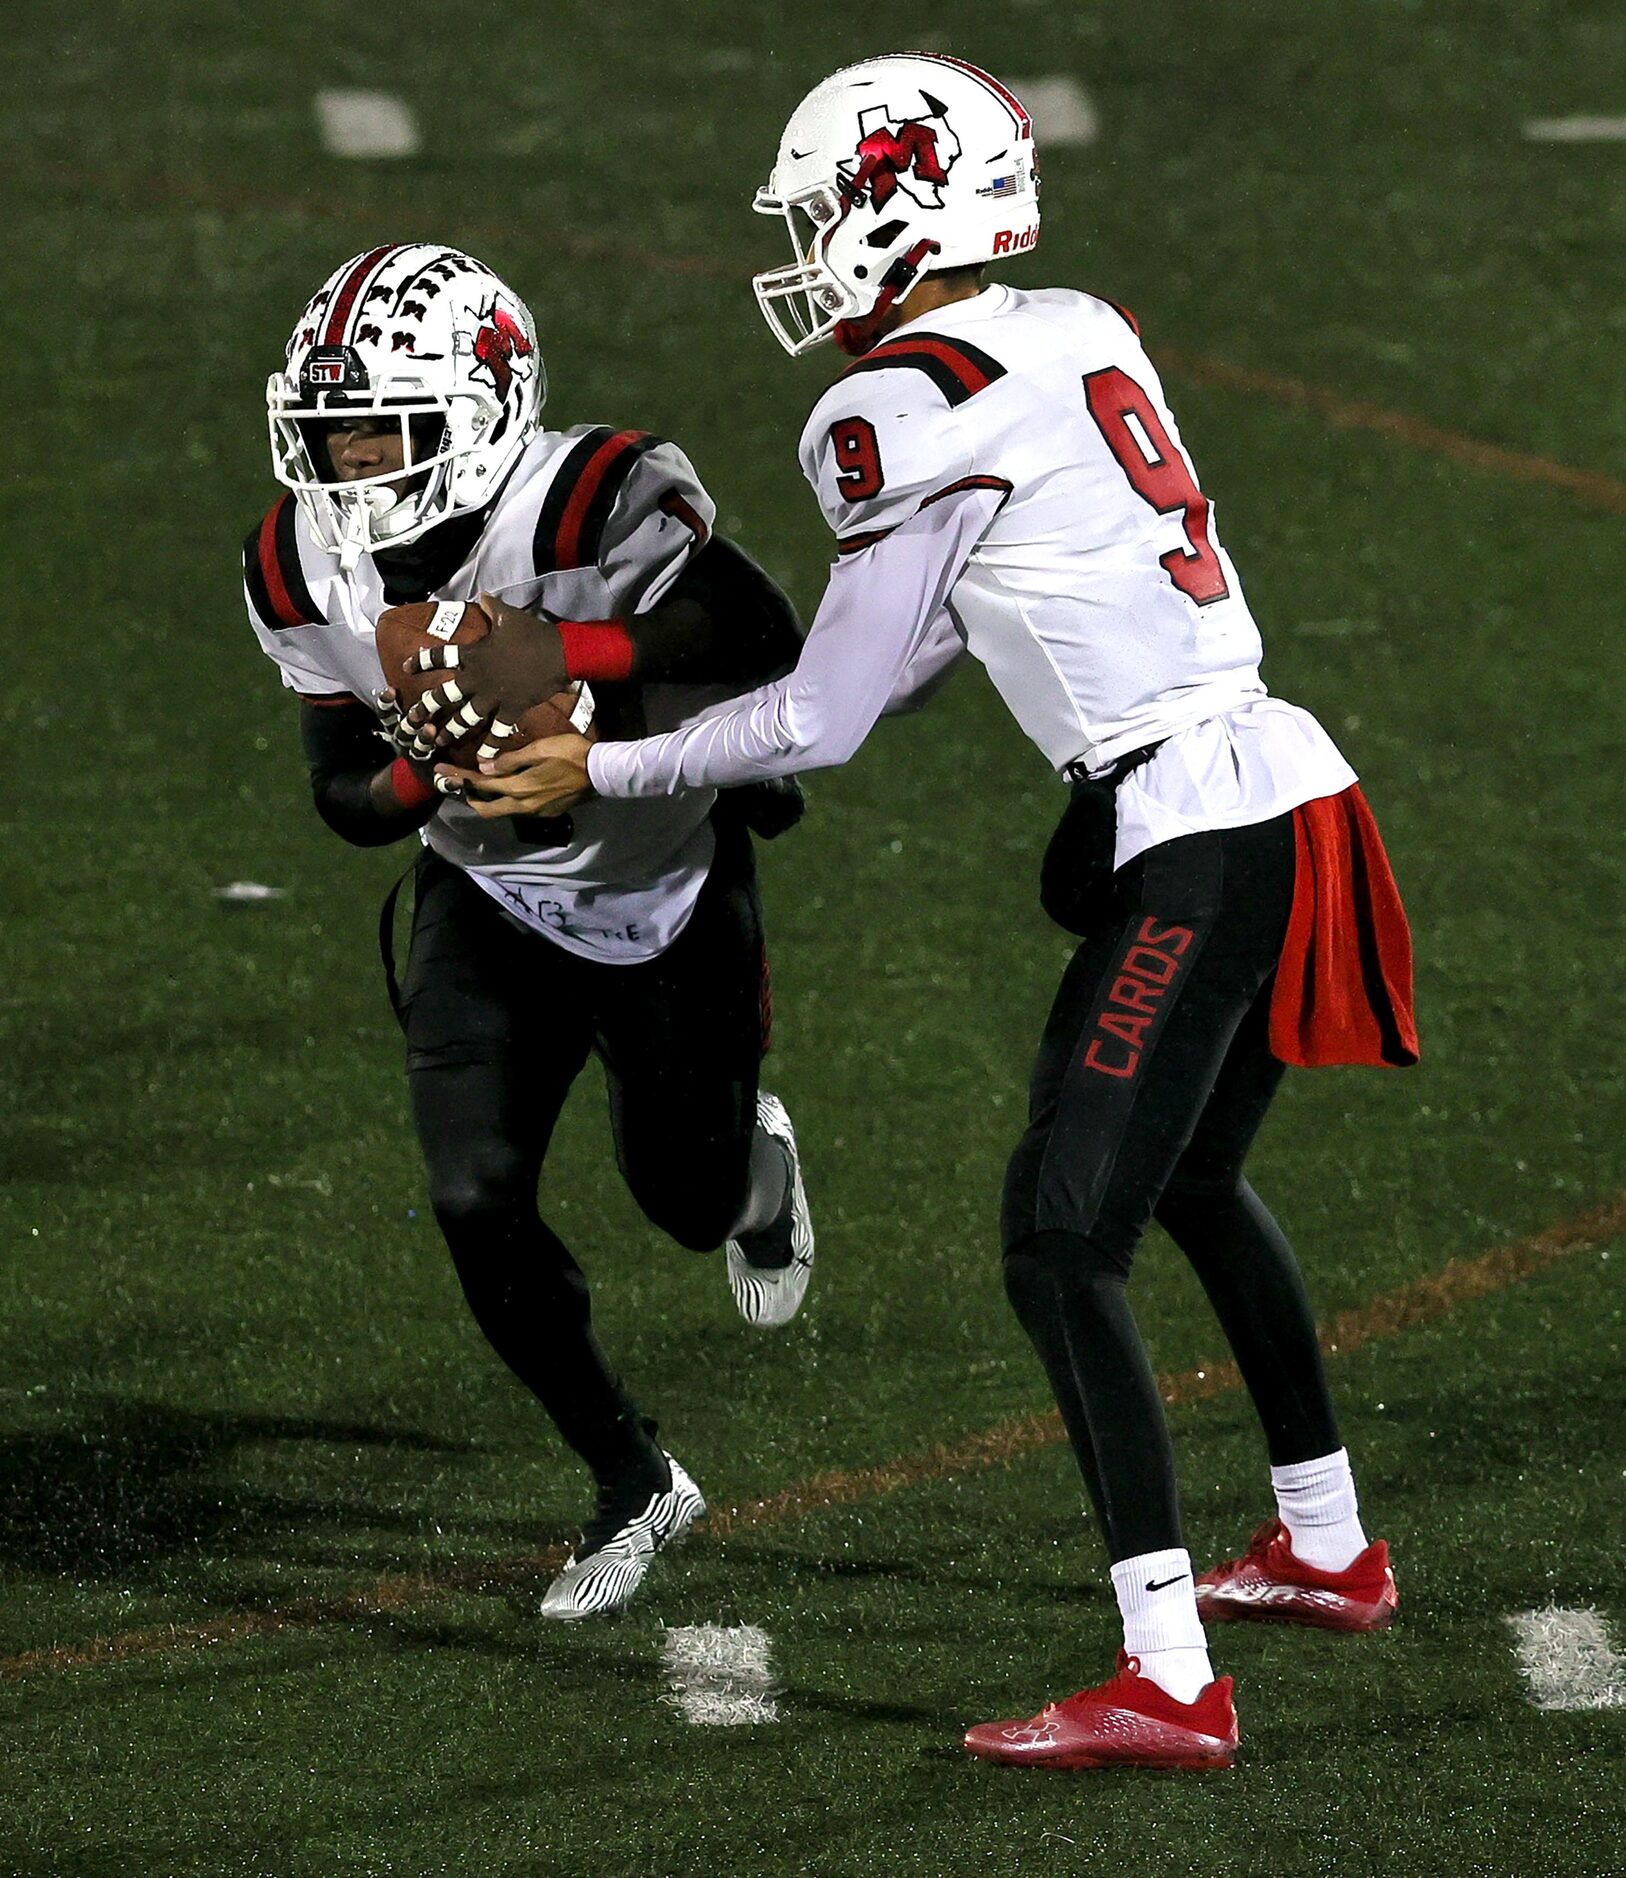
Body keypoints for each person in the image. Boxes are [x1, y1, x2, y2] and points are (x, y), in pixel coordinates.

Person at [419, 56, 1419, 1767]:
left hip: (1188, 815)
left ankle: (1168, 1671)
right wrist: (672, 688)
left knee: (1057, 1236)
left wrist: (604, 755)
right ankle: (1324, 1543)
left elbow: (821, 711)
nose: (809, 252)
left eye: (824, 214)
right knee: (1180, 1177)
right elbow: (944, 636)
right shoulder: (1077, 324)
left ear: (902, 204)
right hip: (1283, 786)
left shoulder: (892, 403)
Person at [243, 242, 815, 1621]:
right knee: (470, 1195)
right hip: (485, 893)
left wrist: (565, 655)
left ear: (486, 405)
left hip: (665, 881)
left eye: (379, 425)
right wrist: (426, 772)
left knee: (685, 1200)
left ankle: (757, 1178)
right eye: (324, 431)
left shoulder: (587, 496)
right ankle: (630, 1476)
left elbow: (755, 621)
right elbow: (341, 794)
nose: (349, 463)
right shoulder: (295, 555)